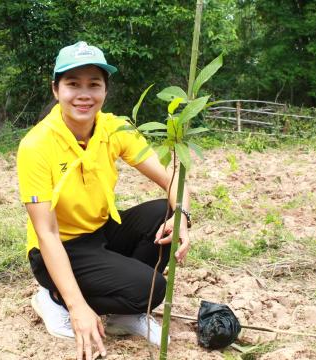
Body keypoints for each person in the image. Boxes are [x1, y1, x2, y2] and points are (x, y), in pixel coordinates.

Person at [17, 41, 191, 360]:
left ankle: (124, 313)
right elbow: (47, 233)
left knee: (164, 211)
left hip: (101, 231)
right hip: (59, 248)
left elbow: (173, 178)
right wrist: (77, 306)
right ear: (56, 89)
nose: (84, 94)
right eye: (73, 84)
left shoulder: (114, 128)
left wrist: (184, 217)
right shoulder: (36, 145)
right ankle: (54, 299)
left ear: (105, 91)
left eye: (93, 84)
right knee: (151, 288)